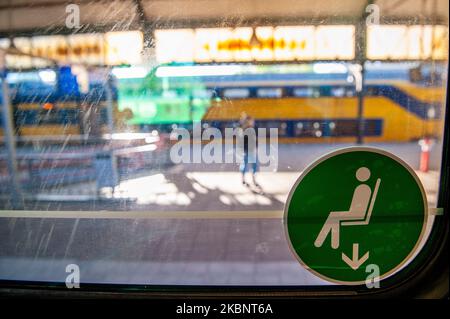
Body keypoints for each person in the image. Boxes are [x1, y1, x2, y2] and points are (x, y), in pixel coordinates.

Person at [238, 112, 260, 188]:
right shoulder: (245, 130)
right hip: (247, 150)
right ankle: (245, 179)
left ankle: (251, 179)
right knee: (248, 165)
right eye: (251, 121)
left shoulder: (251, 129)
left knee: (252, 165)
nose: (253, 122)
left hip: (250, 150)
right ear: (248, 121)